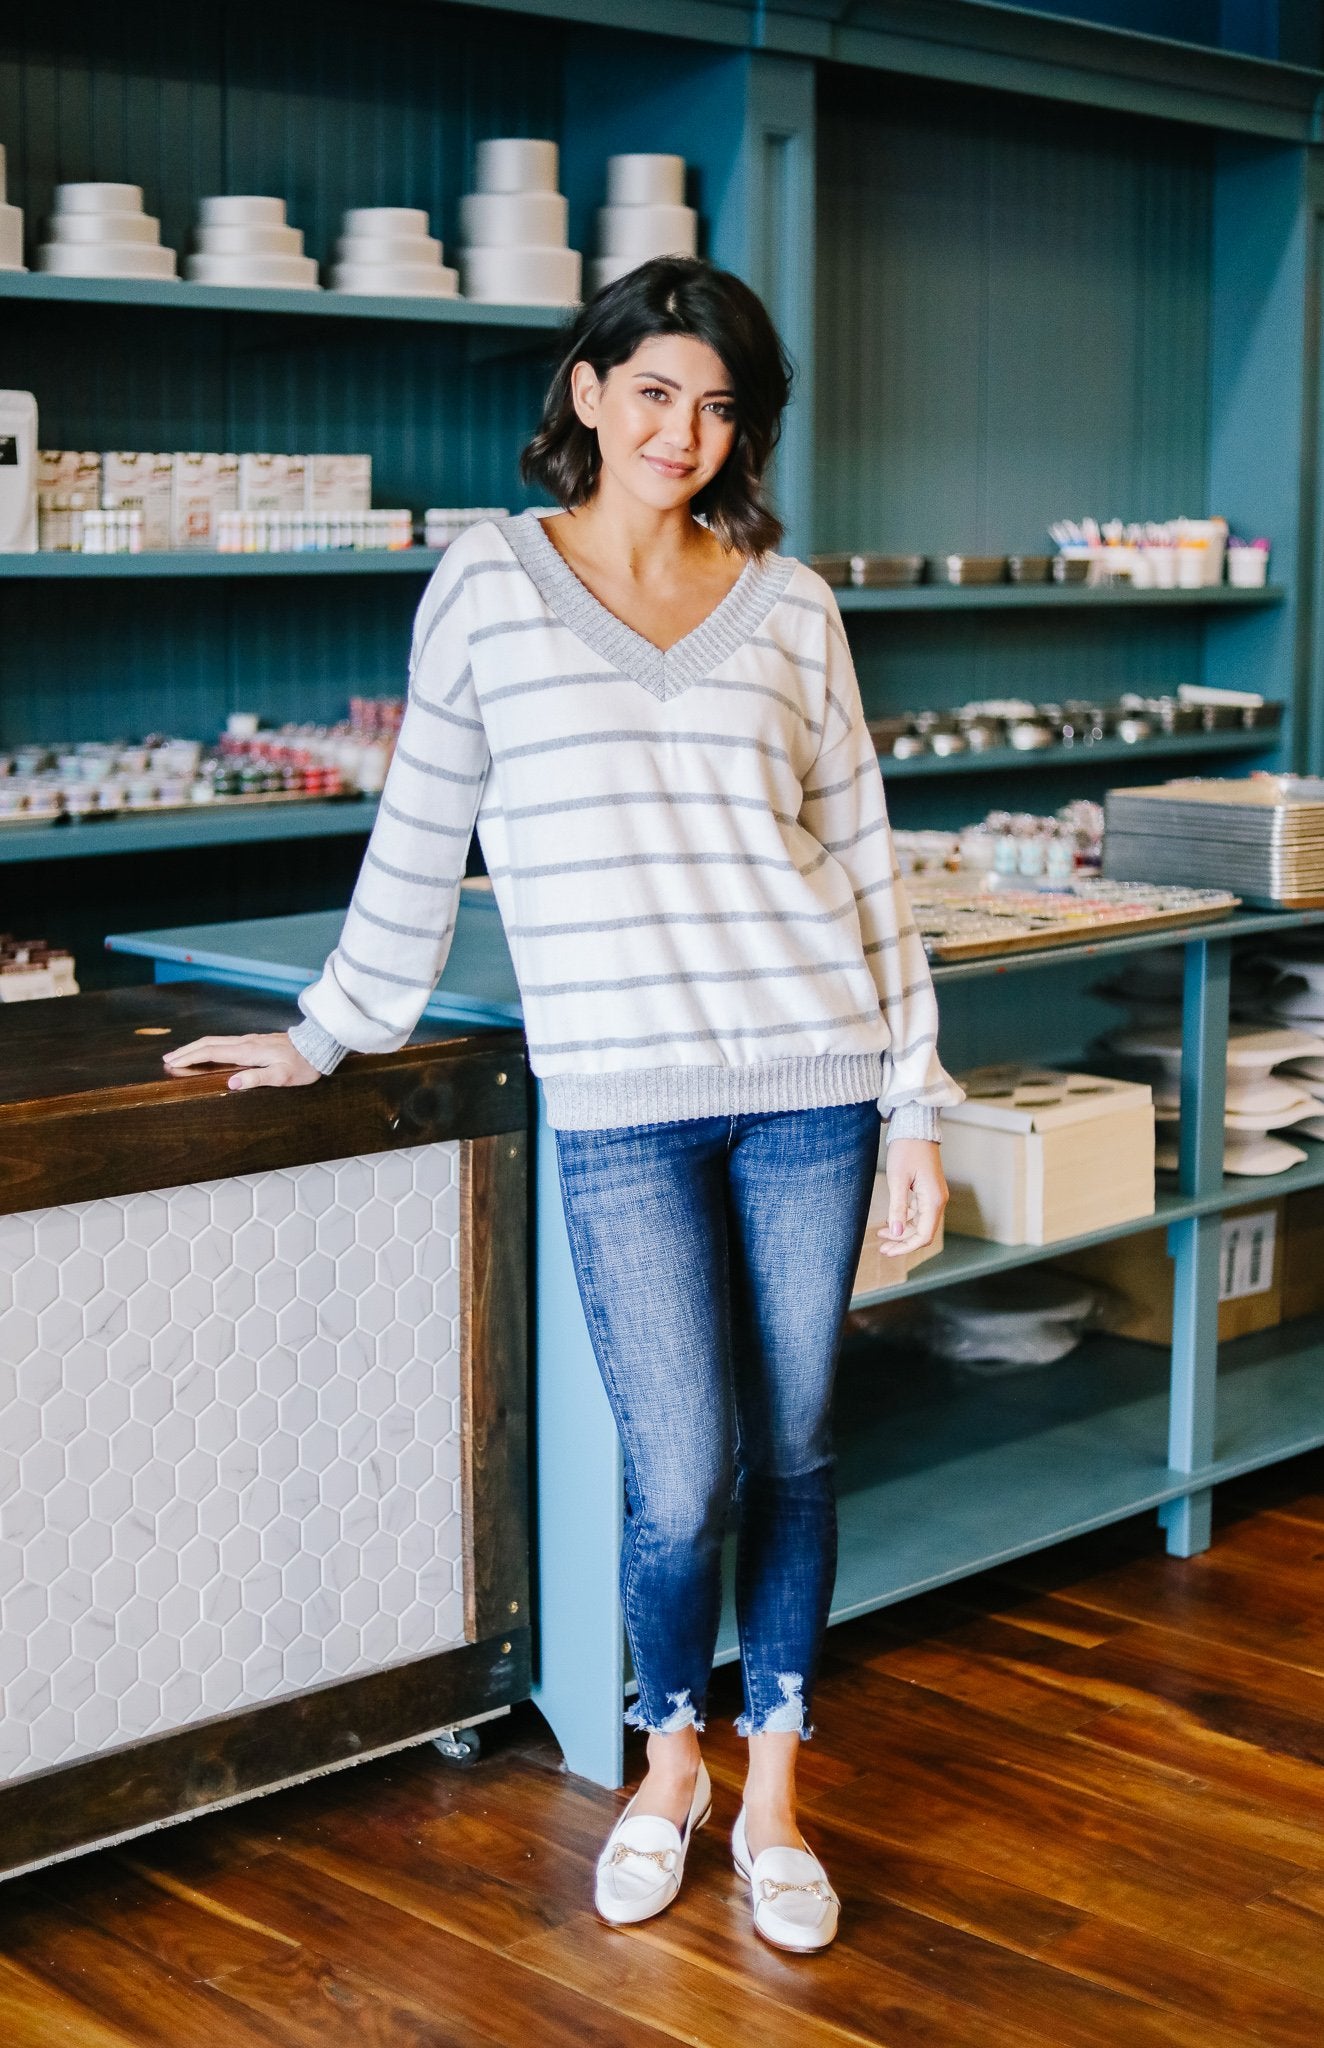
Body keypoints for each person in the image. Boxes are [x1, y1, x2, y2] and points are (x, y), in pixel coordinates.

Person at [164, 255, 961, 1953]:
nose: (684, 431)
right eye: (654, 390)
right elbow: (419, 832)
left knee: (799, 1447)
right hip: (621, 1104)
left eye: (719, 406)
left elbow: (868, 868)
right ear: (588, 392)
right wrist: (324, 1032)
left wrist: (916, 1102)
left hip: (814, 1081)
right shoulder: (489, 584)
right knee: (681, 1474)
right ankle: (669, 1767)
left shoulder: (792, 606)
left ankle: (775, 1792)